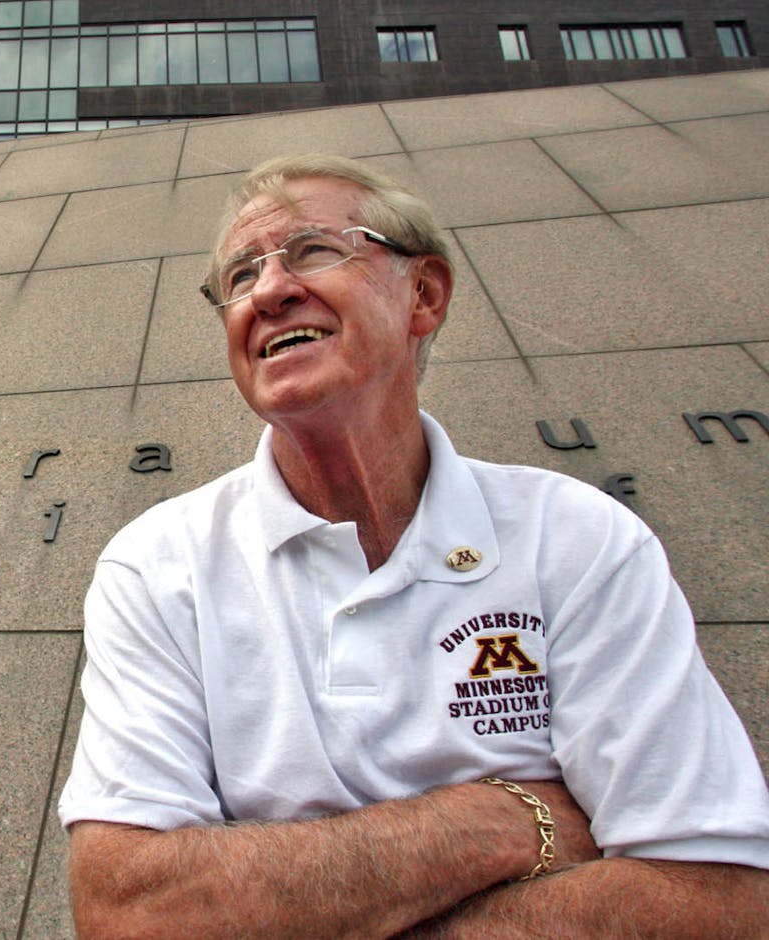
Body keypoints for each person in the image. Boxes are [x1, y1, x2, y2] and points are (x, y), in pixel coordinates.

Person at [57, 154, 769, 937]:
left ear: (422, 295)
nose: (267, 291)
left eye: (313, 251)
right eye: (239, 276)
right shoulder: (158, 565)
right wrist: (505, 820)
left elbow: (714, 900)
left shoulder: (579, 537)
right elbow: (133, 911)